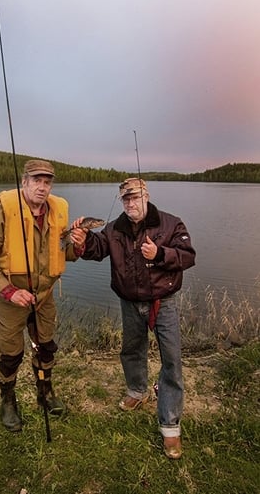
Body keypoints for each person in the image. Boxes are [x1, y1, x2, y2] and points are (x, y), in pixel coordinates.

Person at [72, 177, 196, 459]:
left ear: (146, 195)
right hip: (129, 301)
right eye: (125, 199)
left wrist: (160, 253)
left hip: (162, 302)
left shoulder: (170, 223)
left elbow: (188, 256)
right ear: (121, 201)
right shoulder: (114, 228)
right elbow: (98, 248)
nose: (131, 203)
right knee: (131, 351)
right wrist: (83, 241)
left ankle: (170, 426)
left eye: (135, 197)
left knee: (172, 360)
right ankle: (137, 391)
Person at [0, 159, 86, 432]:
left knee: (45, 347)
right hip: (11, 298)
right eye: (36, 180)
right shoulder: (3, 211)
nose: (42, 187)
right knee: (11, 354)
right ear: (24, 182)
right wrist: (9, 291)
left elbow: (64, 254)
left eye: (47, 182)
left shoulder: (57, 212)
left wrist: (78, 247)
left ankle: (45, 392)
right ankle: (8, 400)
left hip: (44, 296)